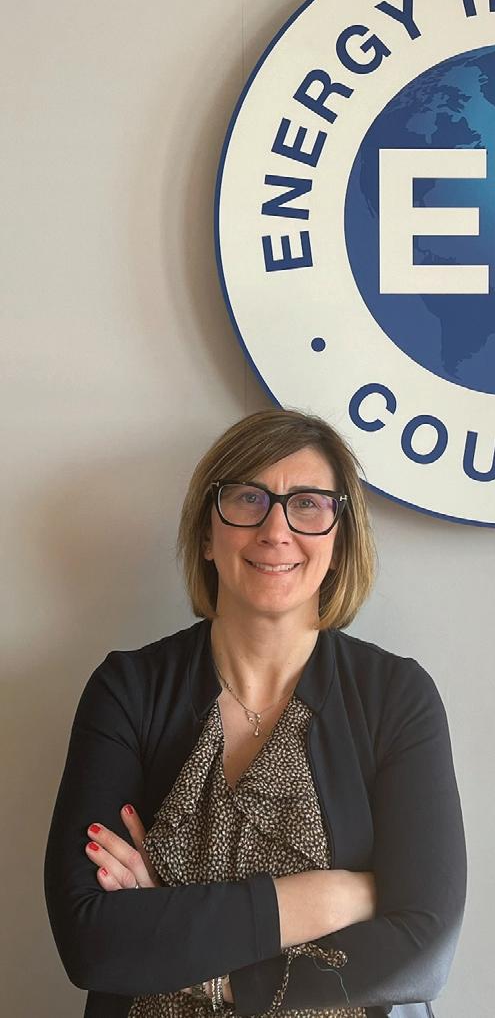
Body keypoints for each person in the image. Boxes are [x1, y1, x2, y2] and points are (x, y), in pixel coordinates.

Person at [44, 409, 467, 1018]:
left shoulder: (396, 697)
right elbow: (91, 941)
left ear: (339, 540)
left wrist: (186, 946)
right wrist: (331, 898)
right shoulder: (128, 690)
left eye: (308, 505)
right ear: (206, 535)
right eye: (248, 499)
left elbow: (423, 953)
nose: (276, 530)